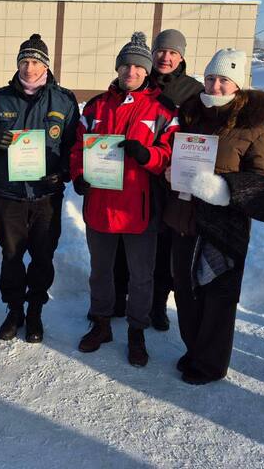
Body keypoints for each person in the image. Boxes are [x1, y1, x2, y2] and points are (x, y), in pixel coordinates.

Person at [163, 48, 264, 384]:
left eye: (223, 80)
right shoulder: (190, 115)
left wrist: (222, 189)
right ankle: (194, 350)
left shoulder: (254, 127)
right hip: (185, 217)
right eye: (210, 78)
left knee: (217, 294)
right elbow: (173, 154)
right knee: (185, 290)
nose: (215, 86)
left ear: (237, 84)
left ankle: (211, 364)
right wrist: (170, 172)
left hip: (224, 227)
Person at [71, 32, 177, 367]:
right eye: (125, 65)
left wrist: (147, 155)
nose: (131, 71)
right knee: (100, 271)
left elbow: (170, 155)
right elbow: (77, 146)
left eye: (138, 66)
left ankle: (136, 331)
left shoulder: (162, 109)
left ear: (147, 71)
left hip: (139, 210)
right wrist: (79, 174)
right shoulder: (96, 106)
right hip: (100, 206)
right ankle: (101, 323)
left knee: (141, 275)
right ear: (117, 68)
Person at [0, 34, 79, 343]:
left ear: (45, 65)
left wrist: (62, 172)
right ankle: (14, 310)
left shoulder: (64, 100)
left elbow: (73, 146)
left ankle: (35, 310)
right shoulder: (0, 98)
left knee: (42, 256)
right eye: (24, 61)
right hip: (10, 194)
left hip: (46, 196)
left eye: (35, 62)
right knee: (11, 255)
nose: (29, 68)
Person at [113, 29, 204, 330]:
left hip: (170, 180)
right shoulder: (138, 77)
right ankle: (120, 295)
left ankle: (157, 304)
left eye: (173, 52)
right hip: (133, 175)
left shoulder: (193, 91)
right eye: (161, 51)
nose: (165, 57)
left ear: (182, 57)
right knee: (124, 238)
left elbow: (199, 136)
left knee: (163, 244)